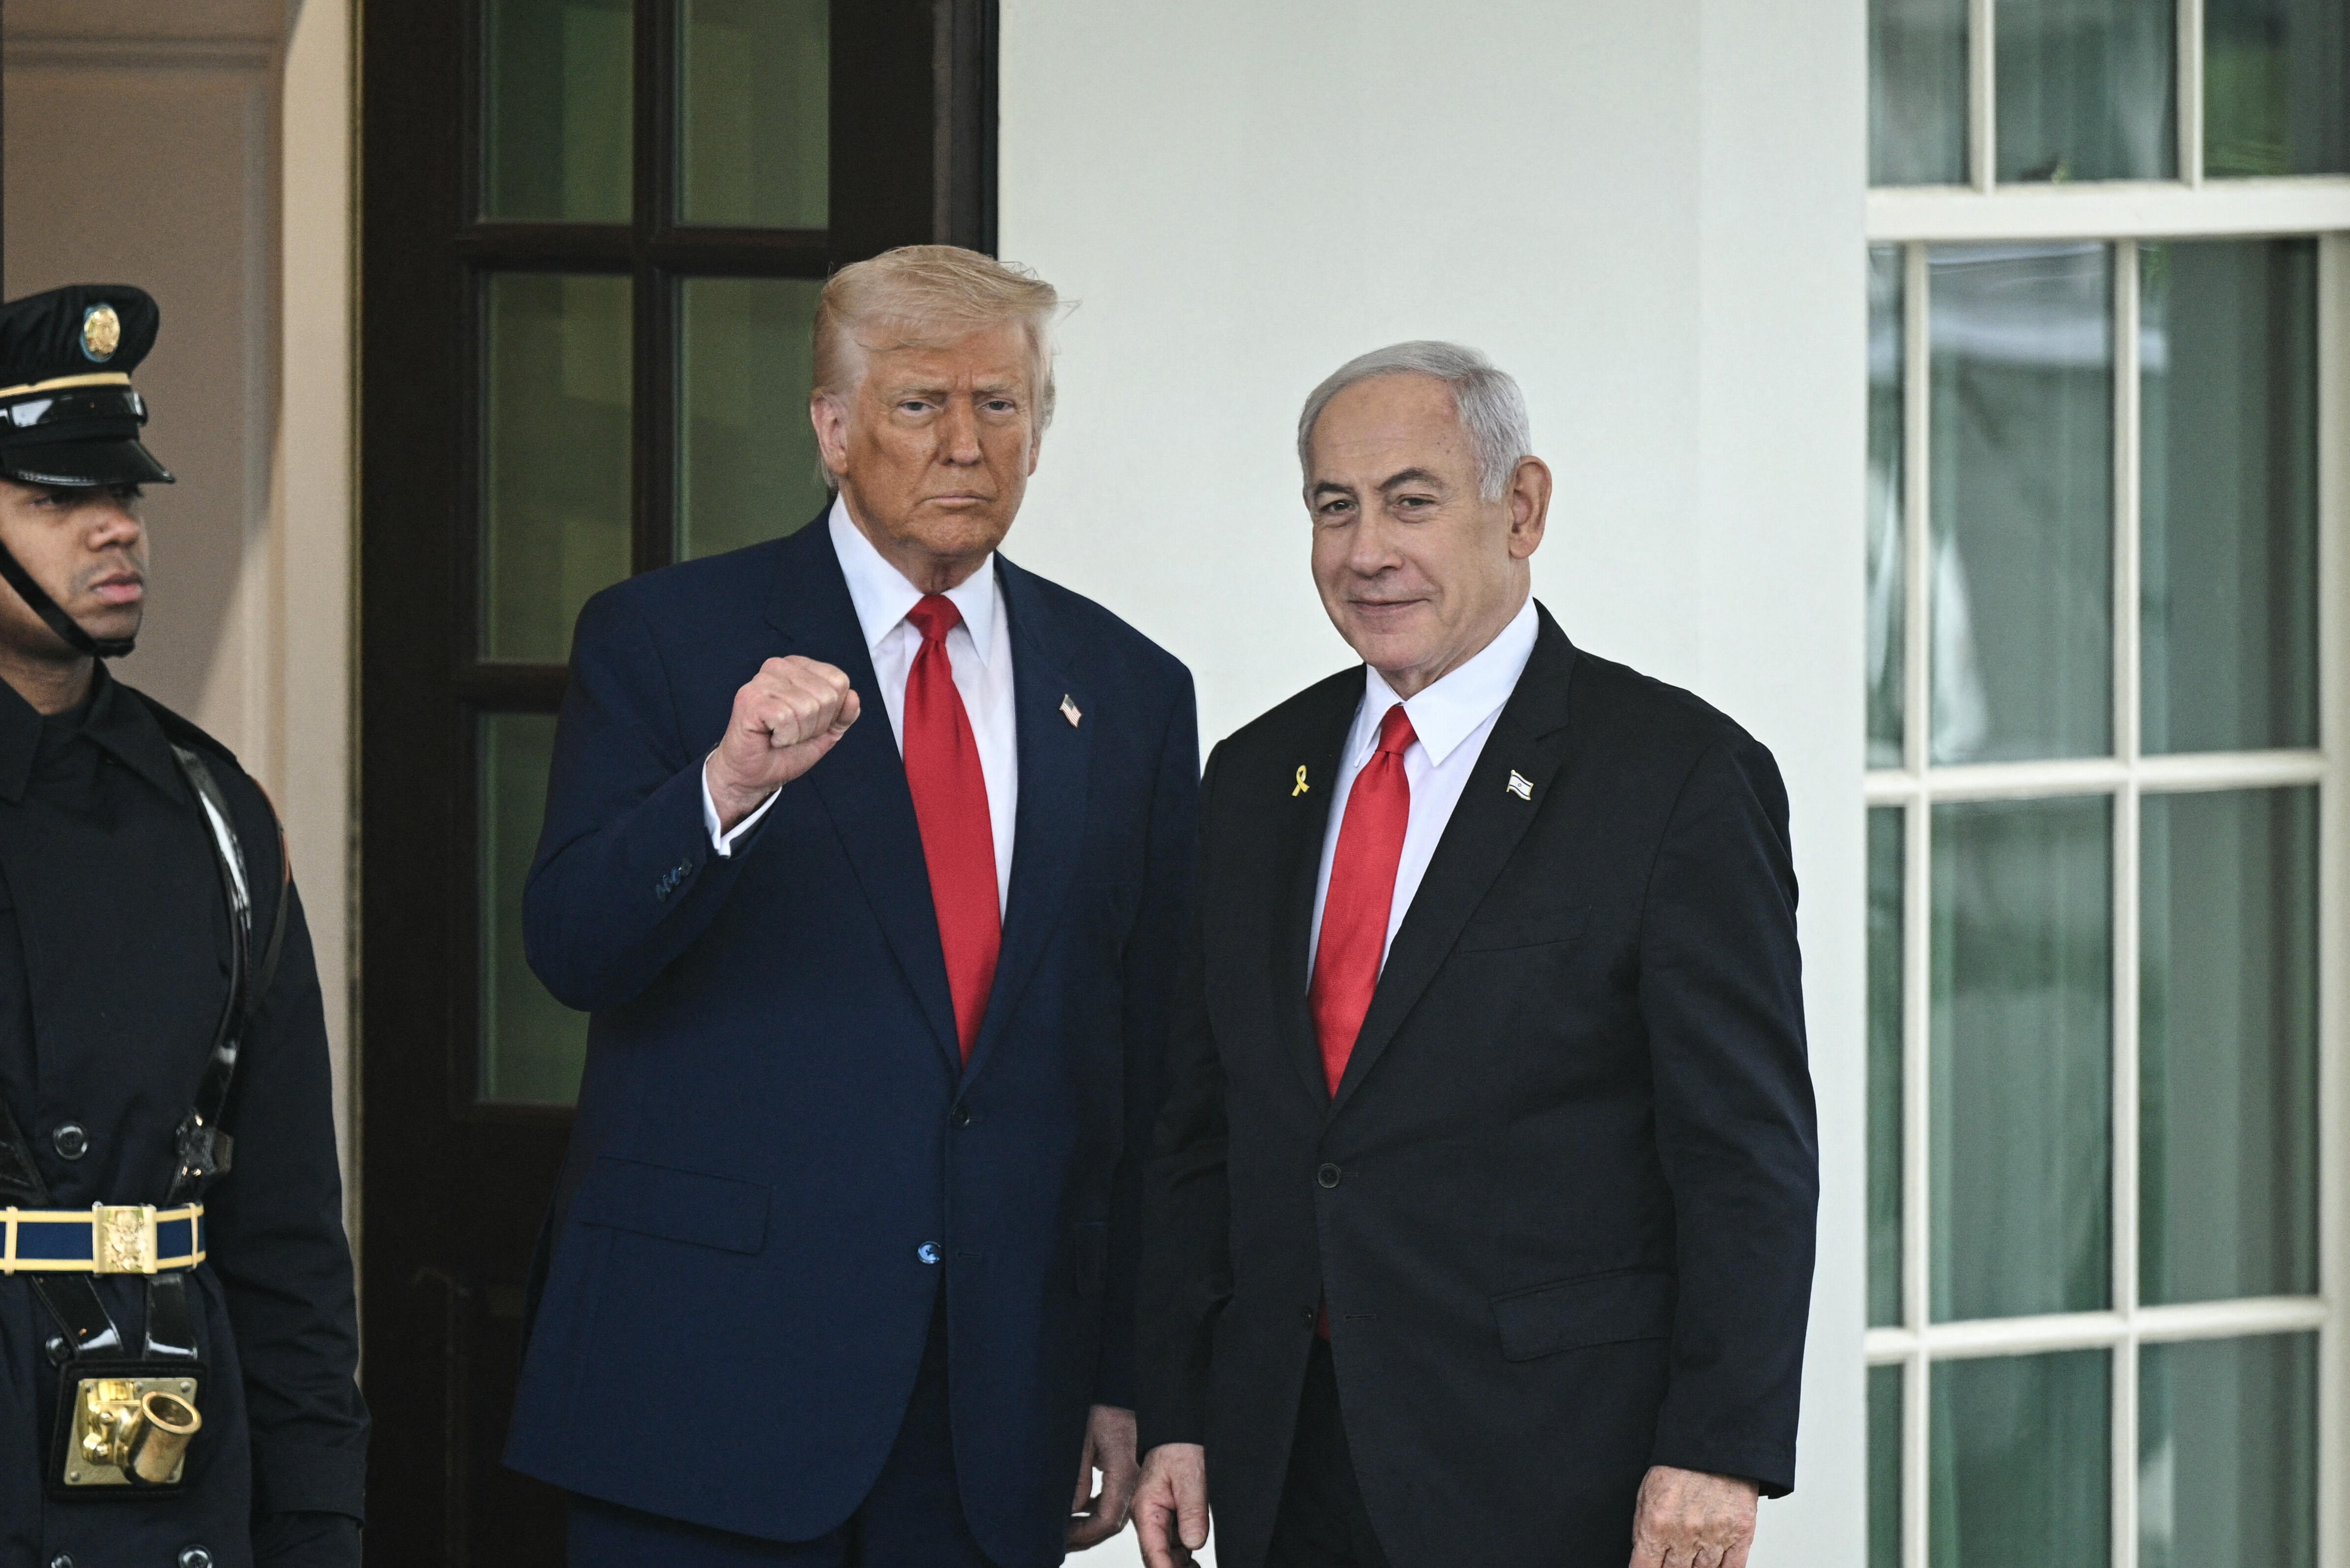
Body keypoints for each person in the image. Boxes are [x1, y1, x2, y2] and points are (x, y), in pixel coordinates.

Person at [504, 245, 1200, 1568]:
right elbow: (573, 943)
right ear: (832, 428)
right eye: (917, 403)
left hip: (990, 1412)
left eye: (1001, 405)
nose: (965, 444)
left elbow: (1145, 1066)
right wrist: (722, 785)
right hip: (707, 1394)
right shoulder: (664, 637)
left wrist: (1125, 1370)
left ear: (1040, 433)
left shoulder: (1127, 688)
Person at [1131, 343, 1817, 1568]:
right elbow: (1202, 1129)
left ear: (1523, 507)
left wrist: (1719, 1444)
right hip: (1284, 1458)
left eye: (1411, 498)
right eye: (1332, 507)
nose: (1365, 551)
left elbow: (1745, 1154)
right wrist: (1174, 1410)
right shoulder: (1251, 777)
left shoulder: (1676, 780)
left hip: (1550, 1468)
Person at [0, 284, 368, 1567]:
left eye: (129, 499)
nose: (117, 531)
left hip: (165, 1465)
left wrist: (321, 1520)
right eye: (56, 501)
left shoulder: (213, 812)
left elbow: (285, 1230)